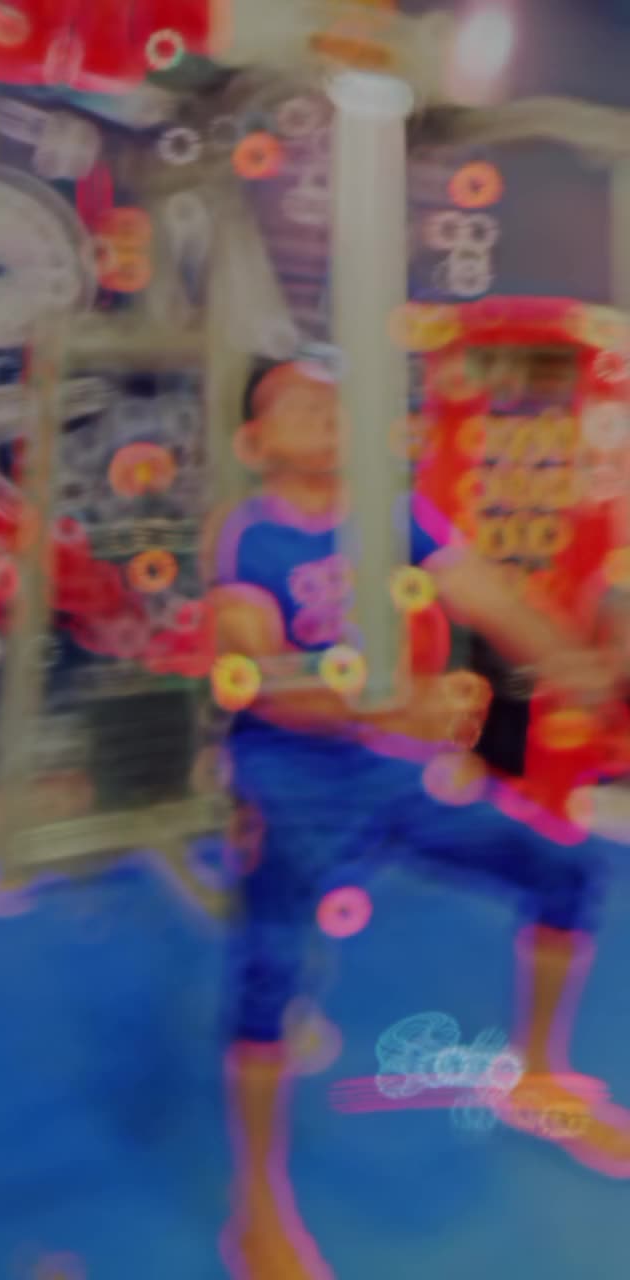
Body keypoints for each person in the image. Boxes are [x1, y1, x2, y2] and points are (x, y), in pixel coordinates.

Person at [204, 354, 630, 1280]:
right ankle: (256, 1211)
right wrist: (398, 709)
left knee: (567, 868)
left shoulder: (391, 516)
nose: (325, 412)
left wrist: (579, 668)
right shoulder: (245, 538)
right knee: (270, 974)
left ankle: (538, 1075)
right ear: (255, 441)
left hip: (390, 768)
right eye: (298, 404)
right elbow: (264, 681)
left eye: (333, 400)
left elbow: (490, 596)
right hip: (289, 778)